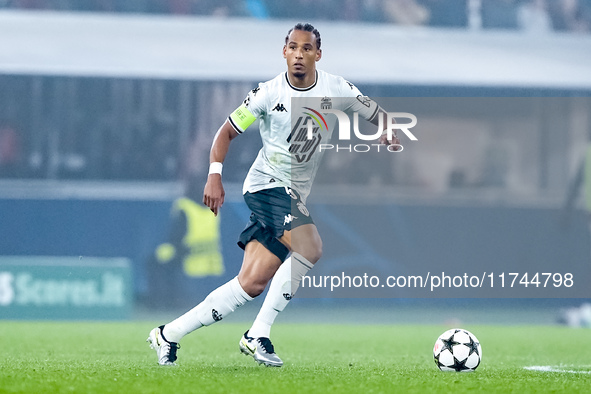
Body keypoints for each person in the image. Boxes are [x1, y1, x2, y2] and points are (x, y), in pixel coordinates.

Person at [147, 22, 399, 367]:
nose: (299, 54)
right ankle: (257, 335)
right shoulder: (268, 93)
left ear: (317, 55)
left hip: (293, 193)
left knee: (249, 284)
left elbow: (373, 111)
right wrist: (214, 176)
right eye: (292, 47)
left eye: (306, 48)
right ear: (284, 52)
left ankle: (168, 334)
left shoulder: (335, 88)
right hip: (267, 186)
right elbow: (225, 133)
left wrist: (387, 129)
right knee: (311, 248)